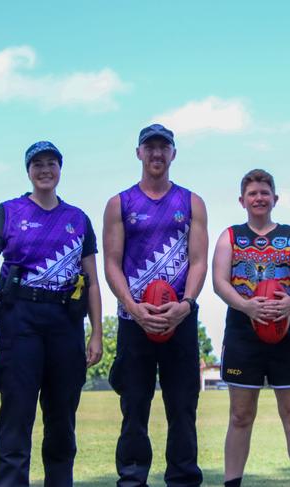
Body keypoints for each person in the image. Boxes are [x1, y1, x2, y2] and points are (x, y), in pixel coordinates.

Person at [0, 141, 103, 487]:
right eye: (37, 164)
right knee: (16, 419)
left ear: (60, 169)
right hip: (20, 321)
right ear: (28, 171)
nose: (45, 170)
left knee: (62, 423)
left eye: (51, 164)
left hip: (66, 324)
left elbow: (91, 282)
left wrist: (97, 333)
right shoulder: (9, 211)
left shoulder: (78, 218)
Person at [104, 123, 208, 487]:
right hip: (135, 319)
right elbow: (111, 264)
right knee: (134, 407)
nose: (157, 154)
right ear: (138, 153)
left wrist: (187, 304)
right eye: (150, 147)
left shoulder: (192, 201)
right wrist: (133, 307)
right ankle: (132, 479)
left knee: (182, 407)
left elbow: (198, 261)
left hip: (179, 319)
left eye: (164, 147)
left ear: (173, 154)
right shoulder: (120, 203)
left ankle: (183, 479)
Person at [213, 169, 290, 487]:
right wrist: (246, 306)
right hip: (244, 333)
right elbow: (219, 281)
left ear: (275, 199)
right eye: (253, 193)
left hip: (287, 331)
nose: (259, 198)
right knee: (241, 416)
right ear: (242, 200)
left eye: (264, 193)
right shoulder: (230, 235)